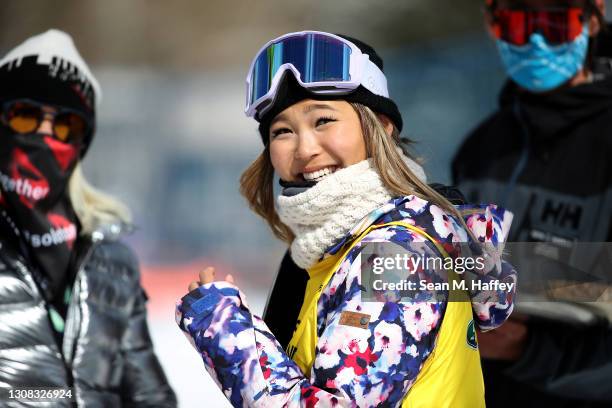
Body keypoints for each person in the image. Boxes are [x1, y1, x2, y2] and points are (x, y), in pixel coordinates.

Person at [176, 31, 516, 407]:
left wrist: (225, 328)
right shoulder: (327, 251)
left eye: (323, 120)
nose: (305, 149)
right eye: (283, 131)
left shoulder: (397, 255)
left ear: (381, 128)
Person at [0, 29, 176, 406]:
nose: (45, 135)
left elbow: (148, 395)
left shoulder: (112, 263)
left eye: (66, 125)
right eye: (26, 116)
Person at [452, 0, 612, 406]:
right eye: (520, 23)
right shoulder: (480, 150)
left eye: (556, 23)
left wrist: (528, 351)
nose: (537, 40)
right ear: (493, 24)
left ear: (592, 22)